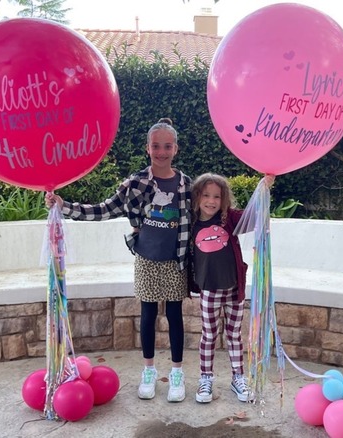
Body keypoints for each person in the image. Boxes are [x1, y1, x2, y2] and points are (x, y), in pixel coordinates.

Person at [45, 118, 191, 402]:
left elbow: (204, 215)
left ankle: (176, 373)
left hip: (176, 261)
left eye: (168, 146)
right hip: (147, 259)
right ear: (148, 148)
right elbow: (104, 209)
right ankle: (148, 370)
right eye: (156, 146)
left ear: (176, 149)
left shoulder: (185, 184)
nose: (162, 151)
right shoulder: (135, 183)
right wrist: (65, 207)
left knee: (175, 316)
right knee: (148, 316)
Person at [188, 172, 274, 404]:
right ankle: (205, 378)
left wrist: (264, 188)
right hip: (208, 290)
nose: (211, 201)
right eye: (205, 195)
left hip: (234, 290)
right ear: (196, 196)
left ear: (224, 199)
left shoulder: (230, 219)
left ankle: (238, 377)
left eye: (217, 196)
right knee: (209, 335)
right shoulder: (192, 222)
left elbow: (255, 216)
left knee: (234, 335)